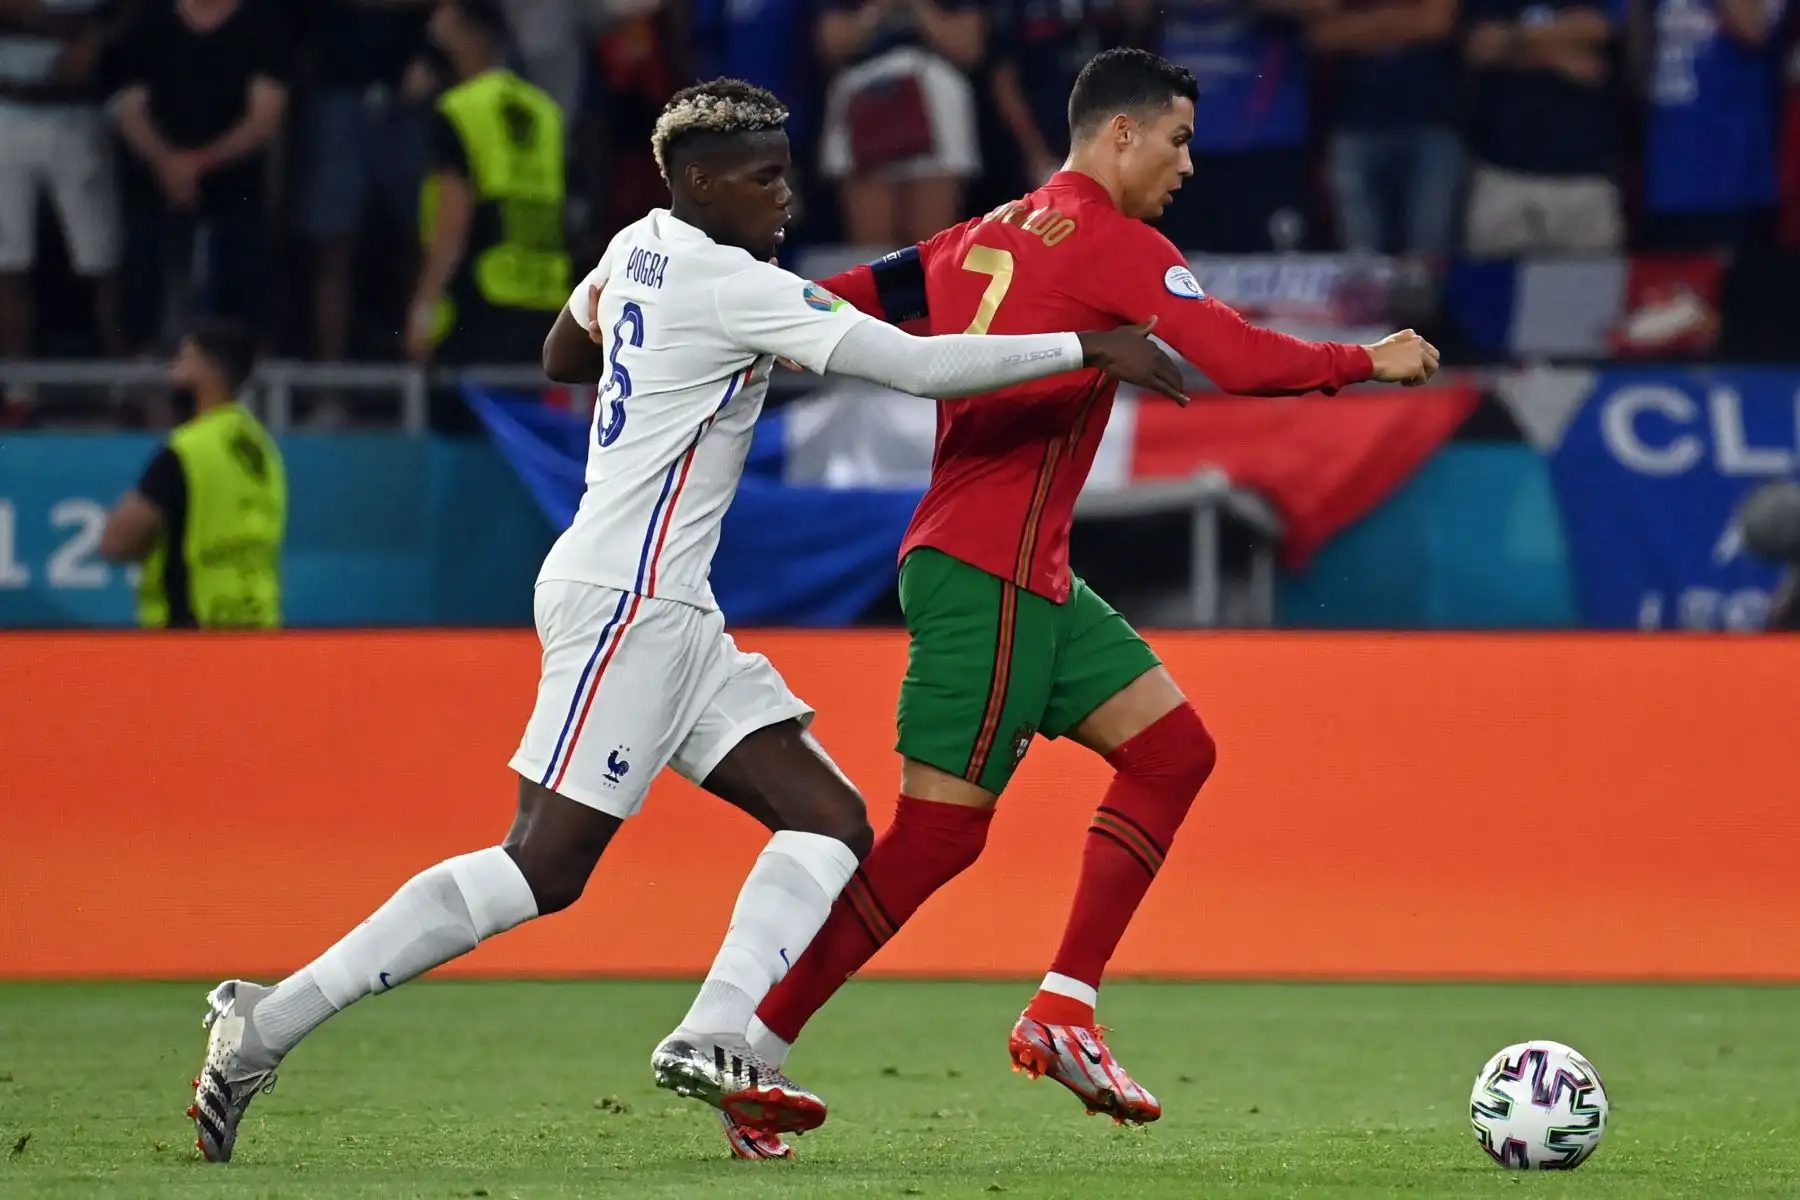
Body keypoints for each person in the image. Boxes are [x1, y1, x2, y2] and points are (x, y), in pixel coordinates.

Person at [187, 76, 1186, 1165]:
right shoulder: (728, 280)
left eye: (784, 172)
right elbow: (913, 368)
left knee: (830, 820)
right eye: (761, 178)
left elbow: (562, 355)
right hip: (630, 600)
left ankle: (723, 1041)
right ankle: (263, 1023)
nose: (785, 196)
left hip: (666, 602)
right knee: (543, 866)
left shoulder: (637, 248)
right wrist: (1088, 350)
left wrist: (656, 349)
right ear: (699, 181)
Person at [718, 48, 1438, 1153]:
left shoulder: (982, 232)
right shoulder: (1113, 244)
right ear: (1118, 136)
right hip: (988, 567)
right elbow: (1232, 360)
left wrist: (730, 310)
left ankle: (1066, 1005)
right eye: (1178, 140)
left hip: (1030, 574)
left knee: (1174, 751)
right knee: (936, 840)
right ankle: (754, 1051)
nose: (1187, 164)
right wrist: (1366, 357)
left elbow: (849, 299)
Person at [405, 0, 569, 369]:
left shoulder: (458, 110)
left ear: (470, 35)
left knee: (464, 421)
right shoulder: (546, 111)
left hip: (478, 303)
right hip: (545, 302)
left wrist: (424, 308)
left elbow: (452, 221)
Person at [98, 318, 285, 630]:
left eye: (183, 360)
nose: (172, 373)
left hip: (193, 635)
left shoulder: (187, 450)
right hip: (256, 631)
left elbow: (116, 542)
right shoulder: (262, 449)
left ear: (211, 370)